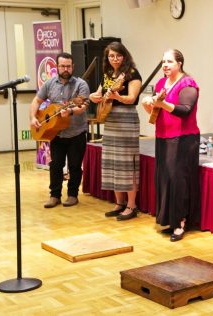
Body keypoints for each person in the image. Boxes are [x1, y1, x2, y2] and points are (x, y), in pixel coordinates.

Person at [141, 49, 200, 242]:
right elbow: (156, 110)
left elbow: (184, 110)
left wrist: (162, 102)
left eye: (169, 61)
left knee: (178, 179)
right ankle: (170, 220)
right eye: (163, 62)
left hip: (183, 138)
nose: (165, 65)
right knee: (165, 177)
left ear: (179, 63)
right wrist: (148, 103)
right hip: (163, 135)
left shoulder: (188, 84)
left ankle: (181, 222)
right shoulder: (160, 83)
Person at [89, 42, 142, 221]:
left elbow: (132, 98)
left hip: (126, 120)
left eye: (118, 55)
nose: (115, 59)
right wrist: (93, 97)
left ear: (124, 56)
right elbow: (99, 93)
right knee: (113, 162)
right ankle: (119, 203)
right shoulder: (108, 74)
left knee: (127, 163)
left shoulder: (132, 74)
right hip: (110, 120)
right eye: (111, 56)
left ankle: (131, 205)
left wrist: (117, 96)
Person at [30, 52, 89, 208]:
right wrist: (33, 117)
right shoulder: (49, 84)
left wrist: (70, 111)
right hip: (56, 132)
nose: (65, 69)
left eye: (68, 66)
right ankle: (54, 195)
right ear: (57, 67)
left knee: (75, 165)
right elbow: (36, 100)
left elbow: (82, 106)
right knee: (55, 164)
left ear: (73, 67)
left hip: (76, 132)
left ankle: (72, 195)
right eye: (62, 66)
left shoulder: (81, 85)